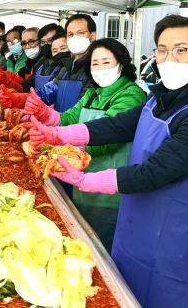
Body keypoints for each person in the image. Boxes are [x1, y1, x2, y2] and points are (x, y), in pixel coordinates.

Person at [30, 15, 188, 308]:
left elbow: (155, 172)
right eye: (162, 50)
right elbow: (116, 126)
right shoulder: (160, 99)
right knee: (124, 293)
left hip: (177, 242)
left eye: (181, 49)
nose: (170, 58)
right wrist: (55, 134)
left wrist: (87, 180)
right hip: (137, 224)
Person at [25, 38, 146, 251]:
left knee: (102, 249)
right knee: (83, 242)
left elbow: (107, 139)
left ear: (122, 65)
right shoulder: (93, 93)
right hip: (82, 182)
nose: (99, 68)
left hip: (111, 189)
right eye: (95, 63)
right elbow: (69, 118)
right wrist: (45, 113)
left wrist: (54, 145)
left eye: (106, 62)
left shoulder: (131, 95)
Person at [33, 14, 97, 113]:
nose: (75, 38)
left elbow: (84, 110)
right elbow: (46, 93)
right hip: (60, 126)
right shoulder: (66, 69)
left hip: (77, 127)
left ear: (92, 36)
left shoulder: (95, 69)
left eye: (80, 33)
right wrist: (21, 98)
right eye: (70, 34)